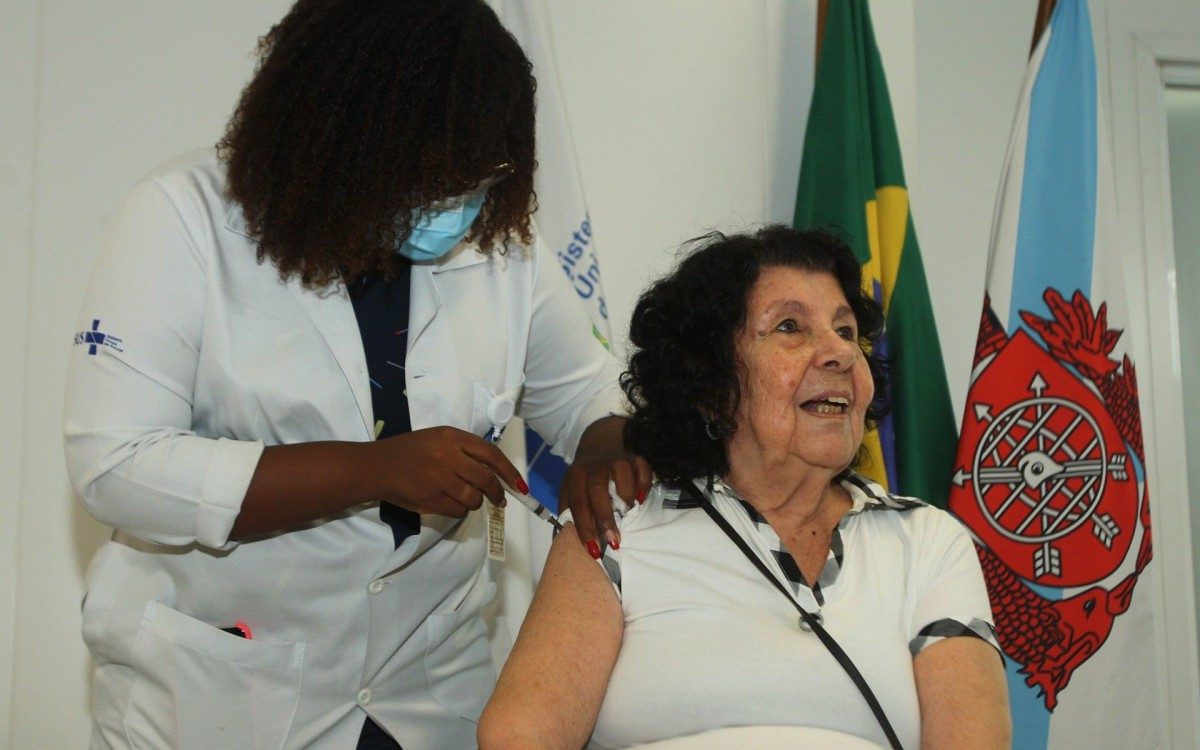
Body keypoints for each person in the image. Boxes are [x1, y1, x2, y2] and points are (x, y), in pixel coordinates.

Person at [63, 1, 648, 747]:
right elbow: (114, 465)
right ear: (337, 140)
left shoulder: (499, 249)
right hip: (228, 693)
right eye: (429, 175)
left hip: (432, 692)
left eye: (477, 173)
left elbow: (591, 395)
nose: (454, 202)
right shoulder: (184, 221)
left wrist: (600, 451)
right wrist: (372, 470)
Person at [479, 226, 1011, 749]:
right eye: (789, 328)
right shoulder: (619, 526)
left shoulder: (927, 541)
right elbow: (518, 738)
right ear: (710, 386)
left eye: (846, 331)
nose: (840, 354)